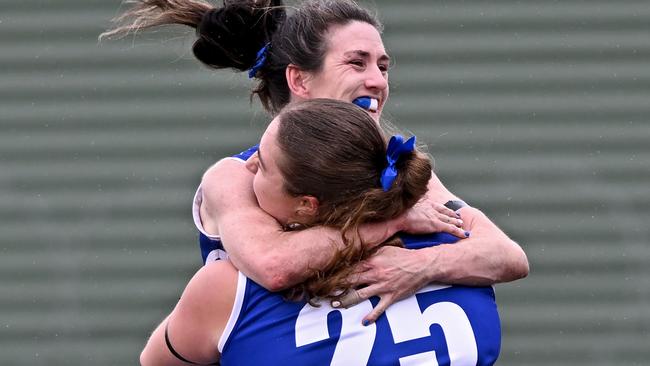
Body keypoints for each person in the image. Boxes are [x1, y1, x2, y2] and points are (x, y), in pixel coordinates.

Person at [102, 0, 528, 325]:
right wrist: (393, 222)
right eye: (356, 63)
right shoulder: (237, 176)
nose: (378, 81)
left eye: (382, 66)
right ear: (299, 79)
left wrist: (419, 265)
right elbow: (273, 265)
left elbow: (506, 256)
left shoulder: (393, 165)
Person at [139, 98, 502, 365]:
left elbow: (155, 362)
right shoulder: (461, 250)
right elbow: (511, 259)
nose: (248, 167)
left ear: (307, 205)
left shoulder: (228, 289)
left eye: (262, 165)